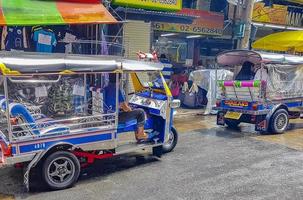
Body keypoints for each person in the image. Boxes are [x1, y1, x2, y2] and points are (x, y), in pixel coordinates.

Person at [104, 74, 149, 142]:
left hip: (107, 116)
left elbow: (112, 103)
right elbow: (125, 108)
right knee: (140, 112)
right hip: (115, 118)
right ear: (119, 79)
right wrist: (130, 109)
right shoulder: (117, 89)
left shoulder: (106, 88)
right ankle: (140, 134)